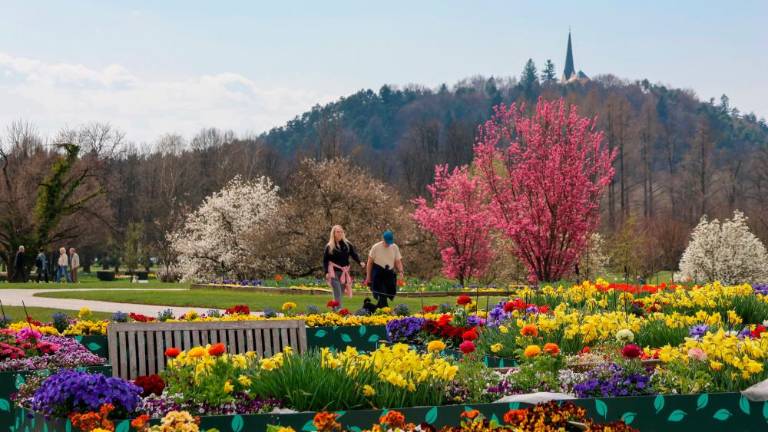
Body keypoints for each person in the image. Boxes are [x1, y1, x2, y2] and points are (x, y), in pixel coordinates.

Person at [323, 225, 363, 308]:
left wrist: (360, 262)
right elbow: (325, 260)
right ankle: (339, 311)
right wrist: (326, 272)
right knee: (337, 292)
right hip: (333, 273)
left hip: (344, 273)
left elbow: (354, 255)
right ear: (334, 233)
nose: (340, 233)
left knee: (340, 294)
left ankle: (335, 311)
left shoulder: (347, 245)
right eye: (338, 232)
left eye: (341, 232)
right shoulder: (329, 246)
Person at [364, 230, 404, 309]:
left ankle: (371, 308)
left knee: (386, 293)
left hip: (389, 273)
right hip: (378, 273)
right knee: (382, 293)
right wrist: (368, 277)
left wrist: (401, 271)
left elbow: (398, 261)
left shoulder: (394, 247)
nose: (388, 244)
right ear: (383, 239)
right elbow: (369, 263)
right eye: (386, 242)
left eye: (389, 242)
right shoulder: (376, 247)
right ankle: (386, 310)